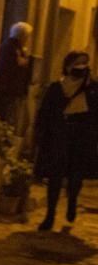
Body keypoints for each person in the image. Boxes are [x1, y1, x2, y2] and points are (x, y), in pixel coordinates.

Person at [33, 51, 98, 231]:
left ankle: (72, 202)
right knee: (55, 175)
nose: (81, 67)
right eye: (77, 63)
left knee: (76, 174)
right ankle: (50, 214)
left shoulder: (92, 88)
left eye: (84, 63)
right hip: (60, 134)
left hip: (82, 136)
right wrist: (41, 134)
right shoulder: (57, 87)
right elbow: (46, 113)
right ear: (68, 65)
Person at [0, 22, 34, 129]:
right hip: (9, 93)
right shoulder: (11, 49)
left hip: (9, 92)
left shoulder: (11, 47)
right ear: (23, 36)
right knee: (8, 122)